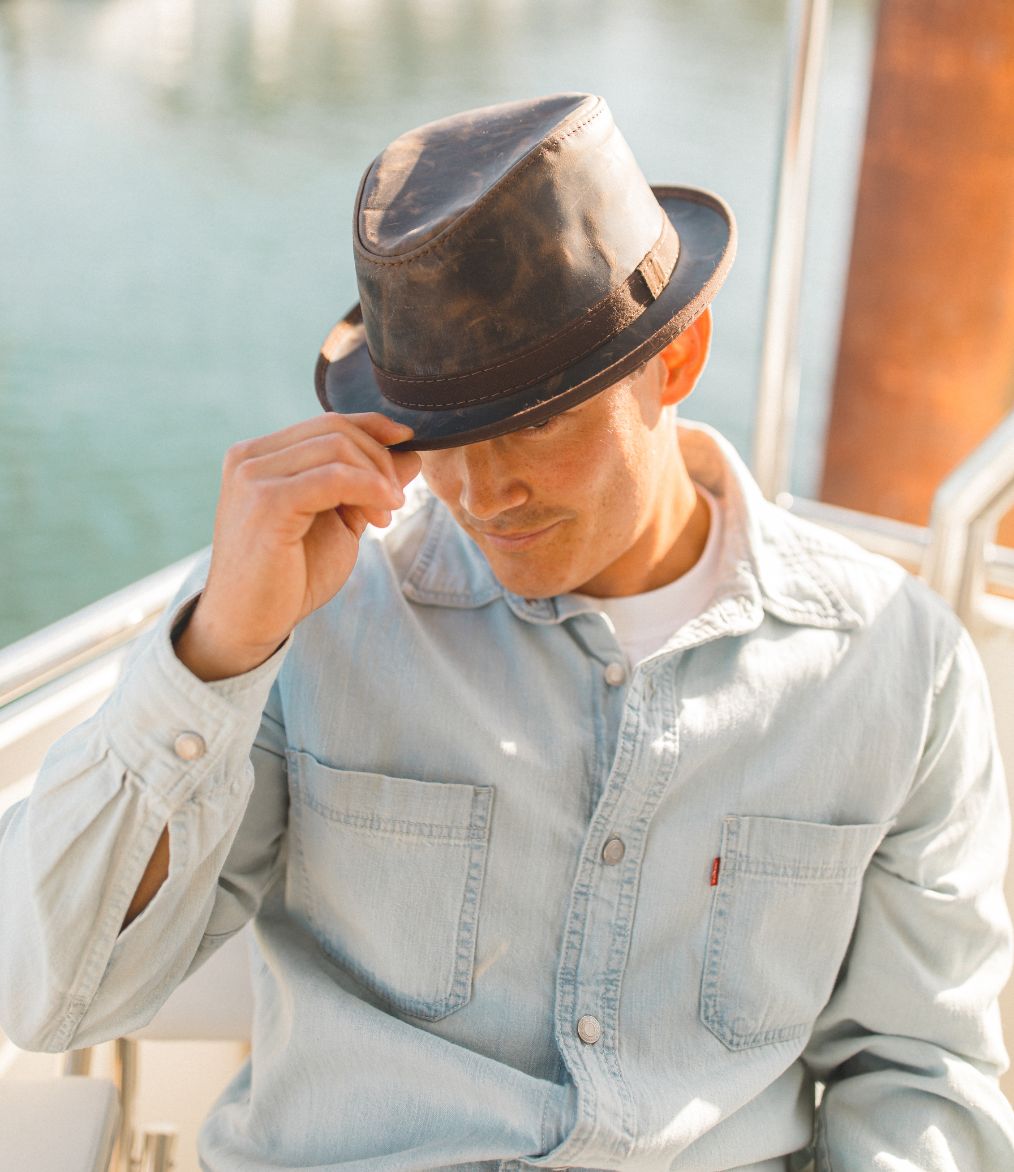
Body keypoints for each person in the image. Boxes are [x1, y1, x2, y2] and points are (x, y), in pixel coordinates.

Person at [0, 92, 1012, 1172]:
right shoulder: (307, 614)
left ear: (676, 359)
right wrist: (214, 655)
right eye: (441, 430)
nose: (482, 491)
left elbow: (918, 1077)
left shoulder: (896, 665)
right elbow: (51, 992)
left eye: (534, 420)